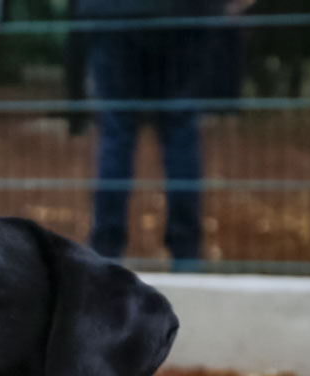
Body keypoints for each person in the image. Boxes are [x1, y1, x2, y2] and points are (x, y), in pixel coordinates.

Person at [76, 0, 226, 266]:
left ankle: (105, 254)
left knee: (116, 133)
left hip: (114, 15)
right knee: (180, 131)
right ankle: (186, 256)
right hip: (182, 15)